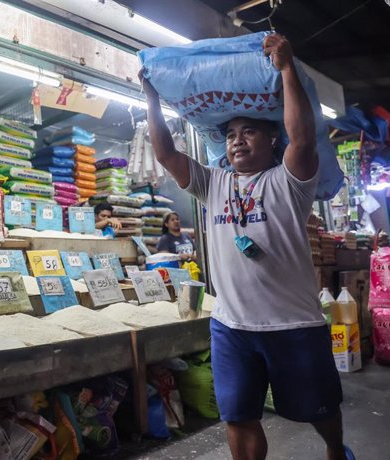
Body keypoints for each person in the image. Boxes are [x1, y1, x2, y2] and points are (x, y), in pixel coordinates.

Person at [140, 34, 354, 460]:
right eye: (232, 134)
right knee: (238, 417)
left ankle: (334, 449)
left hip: (293, 325)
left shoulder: (290, 180)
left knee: (318, 409)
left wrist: (287, 68)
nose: (237, 140)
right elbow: (165, 153)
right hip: (232, 327)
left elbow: (304, 139)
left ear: (272, 139)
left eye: (249, 131)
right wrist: (148, 92)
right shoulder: (212, 182)